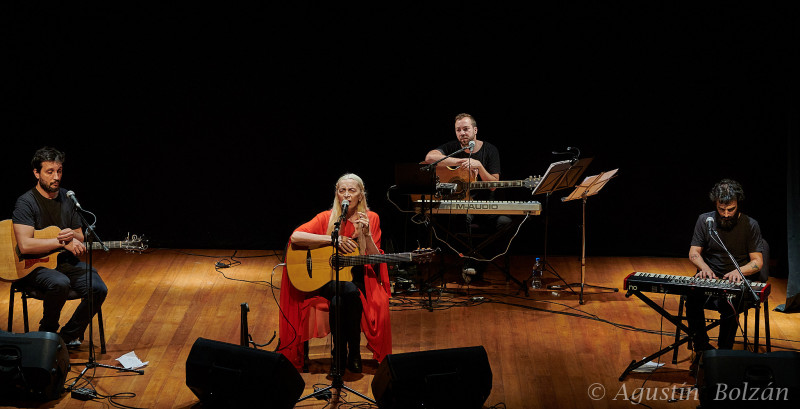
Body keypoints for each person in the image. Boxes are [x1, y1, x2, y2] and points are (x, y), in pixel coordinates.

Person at [278, 173, 391, 374]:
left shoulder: (371, 218)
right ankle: (351, 354)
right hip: (326, 280)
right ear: (337, 194)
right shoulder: (327, 217)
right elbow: (295, 236)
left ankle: (340, 356)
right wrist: (332, 240)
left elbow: (374, 258)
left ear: (361, 195)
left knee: (342, 298)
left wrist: (367, 235)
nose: (346, 195)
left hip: (360, 278)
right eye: (342, 190)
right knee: (348, 290)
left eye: (352, 190)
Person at [11, 146, 108, 348]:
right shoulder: (26, 202)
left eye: (59, 171)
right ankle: (47, 332)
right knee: (60, 283)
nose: (56, 177)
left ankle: (64, 338)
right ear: (36, 173)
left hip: (64, 262)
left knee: (98, 288)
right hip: (33, 267)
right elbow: (26, 245)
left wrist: (73, 235)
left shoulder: (67, 197)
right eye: (50, 172)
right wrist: (62, 241)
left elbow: (80, 235)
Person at [423, 113, 511, 279]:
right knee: (460, 218)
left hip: (487, 208)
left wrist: (479, 166)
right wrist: (459, 162)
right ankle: (470, 260)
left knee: (506, 223)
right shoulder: (453, 148)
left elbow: (493, 185)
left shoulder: (490, 150)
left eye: (466, 129)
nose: (462, 133)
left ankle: (480, 260)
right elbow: (429, 158)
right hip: (463, 207)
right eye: (458, 130)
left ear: (475, 130)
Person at [686, 179, 764, 354]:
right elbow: (694, 253)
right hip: (709, 278)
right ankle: (702, 348)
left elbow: (757, 262)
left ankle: (723, 353)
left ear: (738, 204)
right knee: (691, 298)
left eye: (731, 209)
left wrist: (739, 271)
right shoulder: (705, 221)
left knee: (731, 303)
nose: (726, 214)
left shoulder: (750, 225)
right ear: (715, 204)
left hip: (736, 280)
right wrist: (704, 268)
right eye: (721, 209)